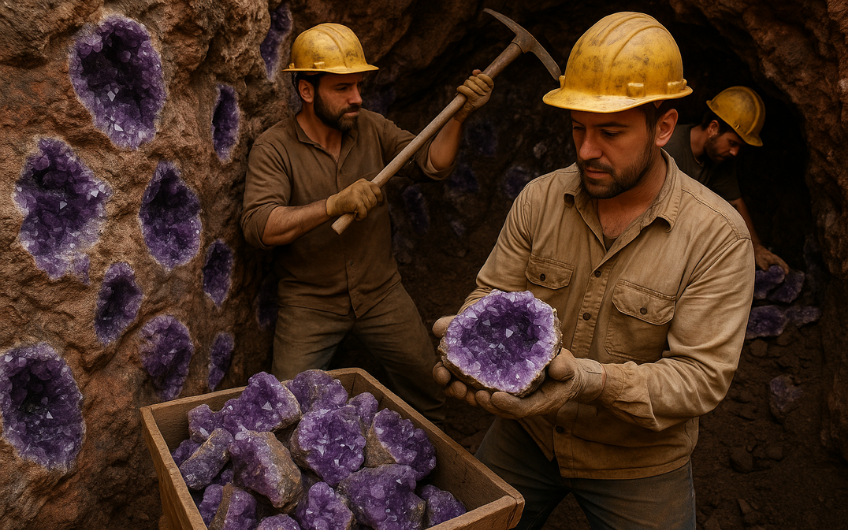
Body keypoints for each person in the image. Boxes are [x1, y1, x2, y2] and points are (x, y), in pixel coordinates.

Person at [433, 12, 755, 529]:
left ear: (664, 126)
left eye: (610, 132)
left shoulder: (718, 236)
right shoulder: (540, 198)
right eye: (578, 128)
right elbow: (491, 291)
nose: (586, 150)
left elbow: (700, 380)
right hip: (528, 436)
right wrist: (471, 334)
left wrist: (589, 381)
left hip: (637, 460)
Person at [241, 23, 494, 424]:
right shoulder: (274, 148)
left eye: (358, 86)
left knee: (430, 387)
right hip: (310, 302)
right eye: (342, 88)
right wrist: (332, 205)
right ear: (307, 90)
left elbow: (433, 165)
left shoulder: (373, 128)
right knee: (284, 409)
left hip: (381, 292)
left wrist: (458, 117)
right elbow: (259, 227)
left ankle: (436, 463)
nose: (357, 98)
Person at [664, 86, 789, 272]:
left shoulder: (719, 158)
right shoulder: (669, 149)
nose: (735, 152)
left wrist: (757, 248)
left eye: (739, 146)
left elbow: (735, 202)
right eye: (732, 143)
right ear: (713, 128)